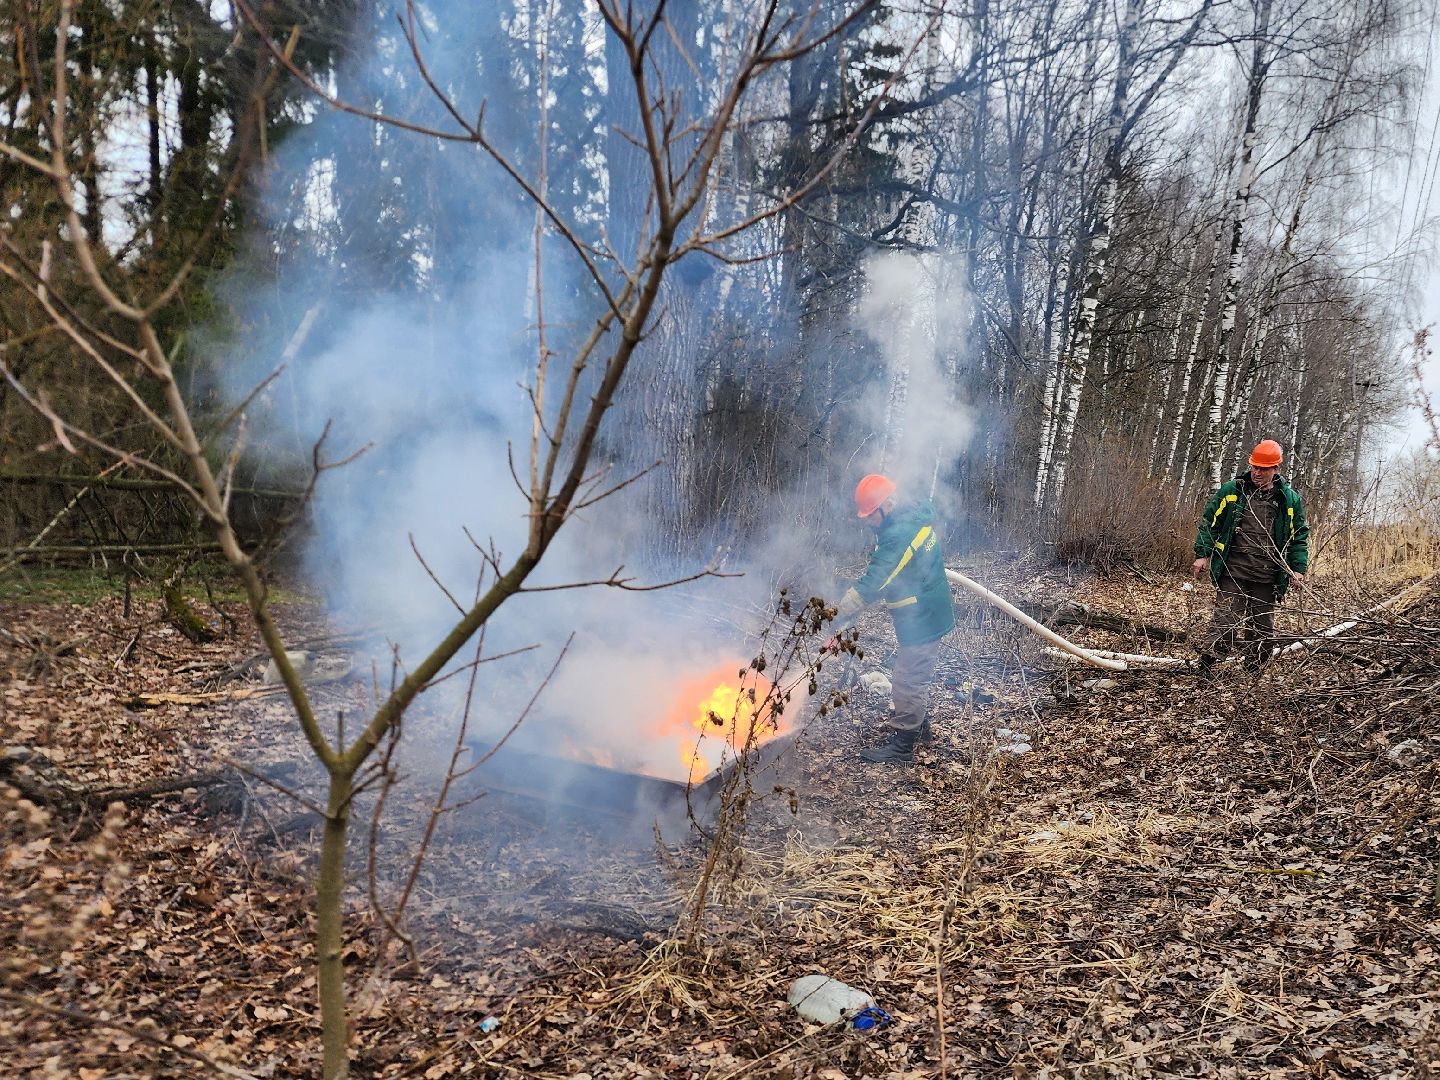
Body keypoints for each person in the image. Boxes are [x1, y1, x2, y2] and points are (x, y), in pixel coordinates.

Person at [829, 474, 956, 763]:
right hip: (925, 610)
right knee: (916, 675)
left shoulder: (900, 533)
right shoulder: (910, 518)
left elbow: (875, 581)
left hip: (923, 615)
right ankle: (919, 727)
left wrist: (839, 613)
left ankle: (902, 747)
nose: (868, 520)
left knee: (907, 679)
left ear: (887, 504)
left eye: (871, 513)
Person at [1191, 439, 1309, 676]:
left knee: (1262, 628)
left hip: (1267, 575)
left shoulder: (1288, 499)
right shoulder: (1233, 490)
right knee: (1225, 621)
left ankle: (1253, 672)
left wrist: (1298, 569)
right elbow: (1210, 522)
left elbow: (1299, 536)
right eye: (1254, 467)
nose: (1257, 473)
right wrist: (1202, 554)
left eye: (1263, 469)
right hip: (1232, 569)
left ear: (1275, 469)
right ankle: (1206, 668)